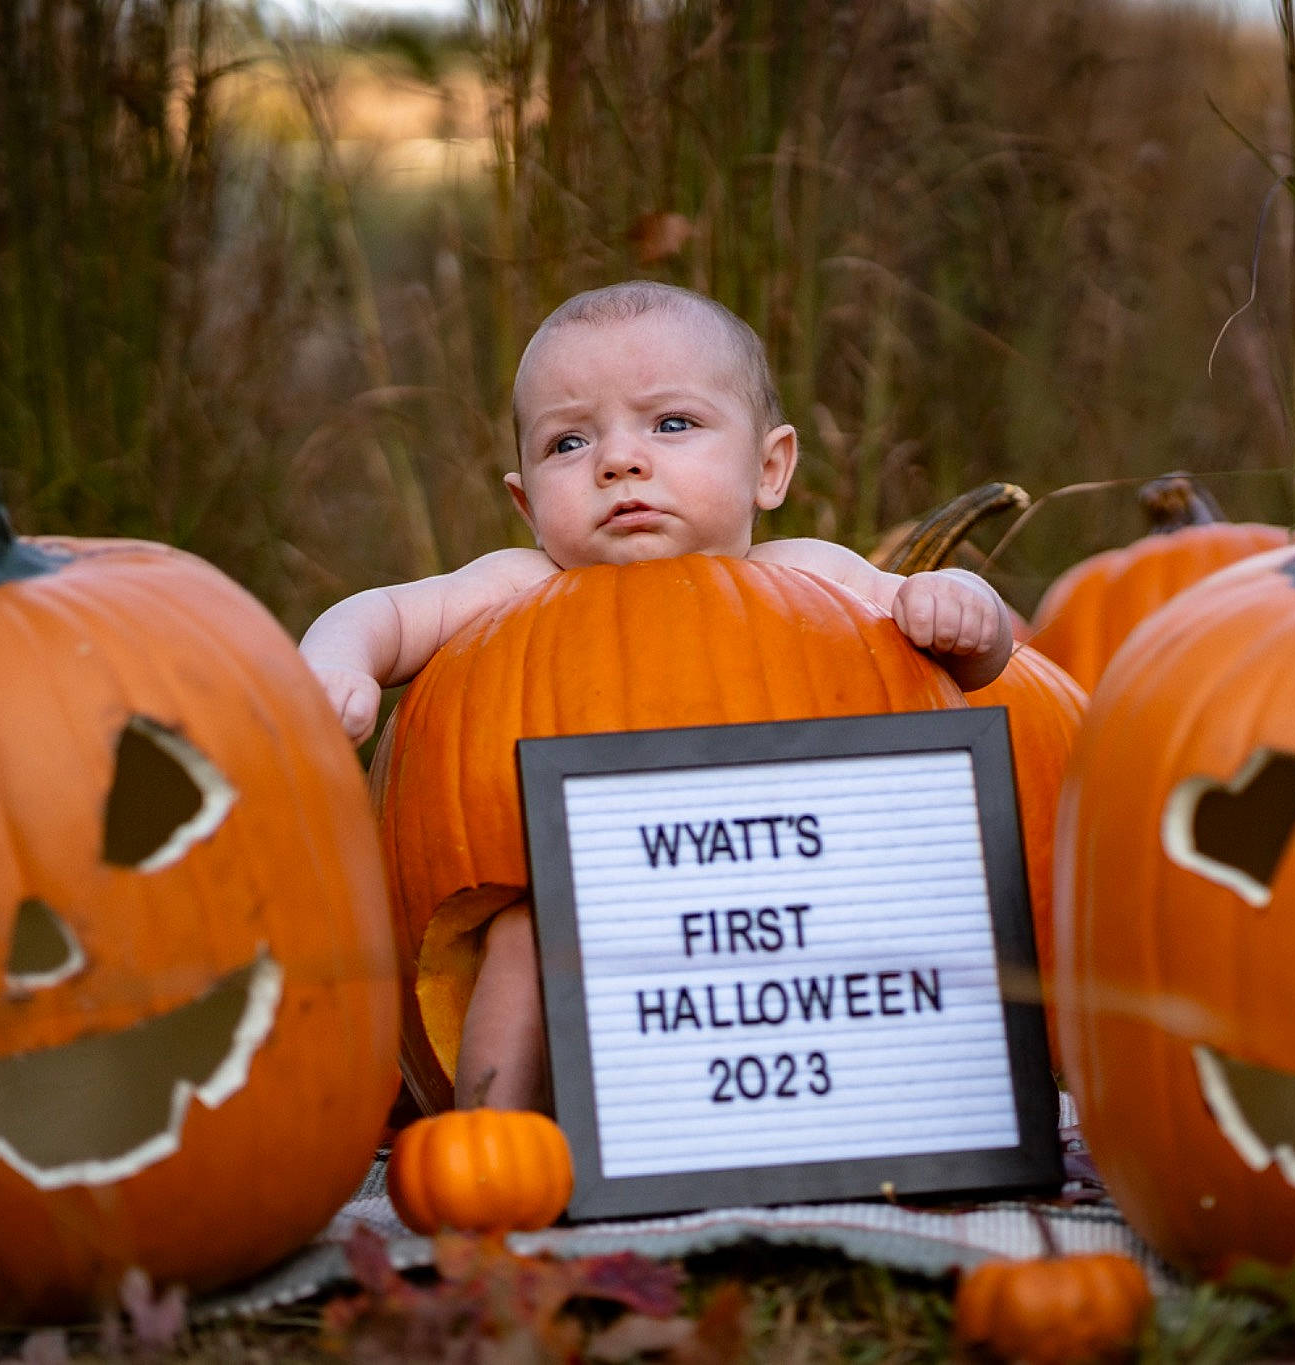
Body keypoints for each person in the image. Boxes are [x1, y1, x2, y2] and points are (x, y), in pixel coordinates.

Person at [300, 280, 1015, 1112]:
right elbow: (383, 612)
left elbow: (970, 664)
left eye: (672, 424)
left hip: (785, 904)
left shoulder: (815, 578)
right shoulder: (515, 587)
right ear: (527, 503)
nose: (619, 460)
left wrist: (966, 606)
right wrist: (335, 664)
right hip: (597, 914)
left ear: (769, 466)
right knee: (520, 935)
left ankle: (872, 1110)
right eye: (569, 442)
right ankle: (494, 1135)